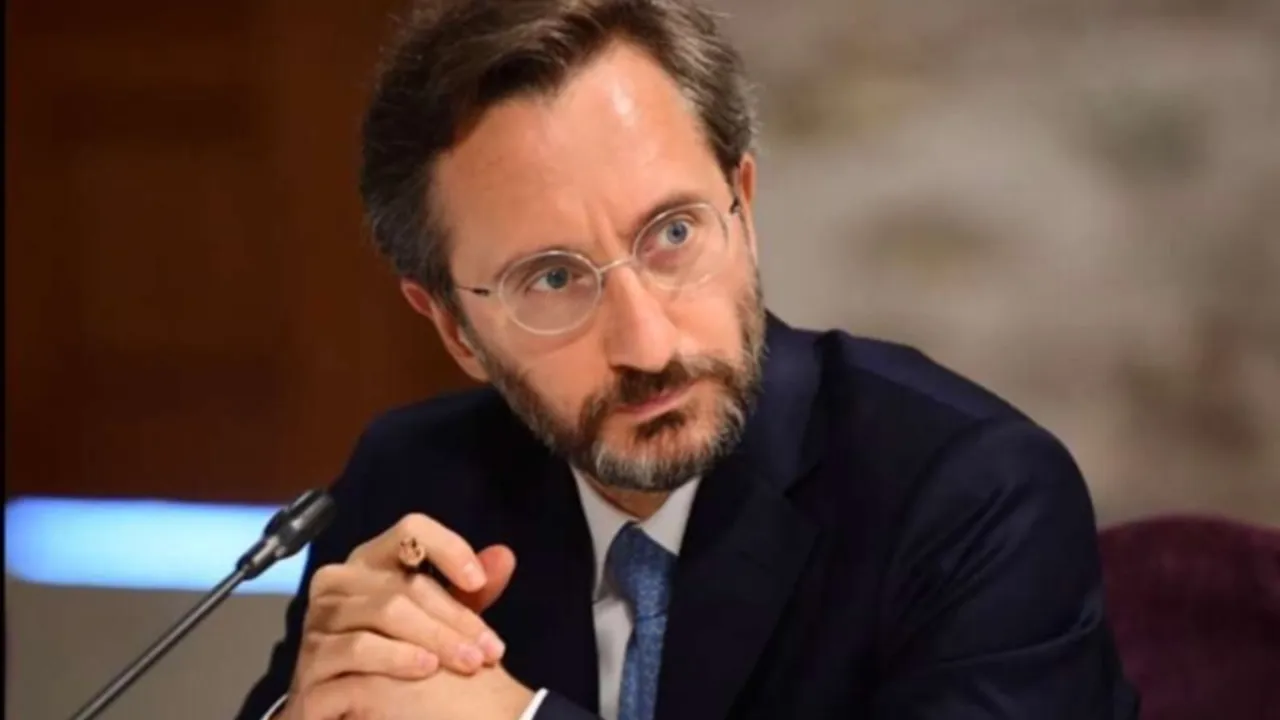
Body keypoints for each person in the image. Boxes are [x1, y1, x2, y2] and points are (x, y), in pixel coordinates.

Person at [236, 0, 1140, 718]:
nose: (647, 344)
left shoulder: (971, 496)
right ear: (454, 329)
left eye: (672, 234)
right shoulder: (414, 483)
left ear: (742, 205)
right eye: (552, 279)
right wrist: (314, 710)